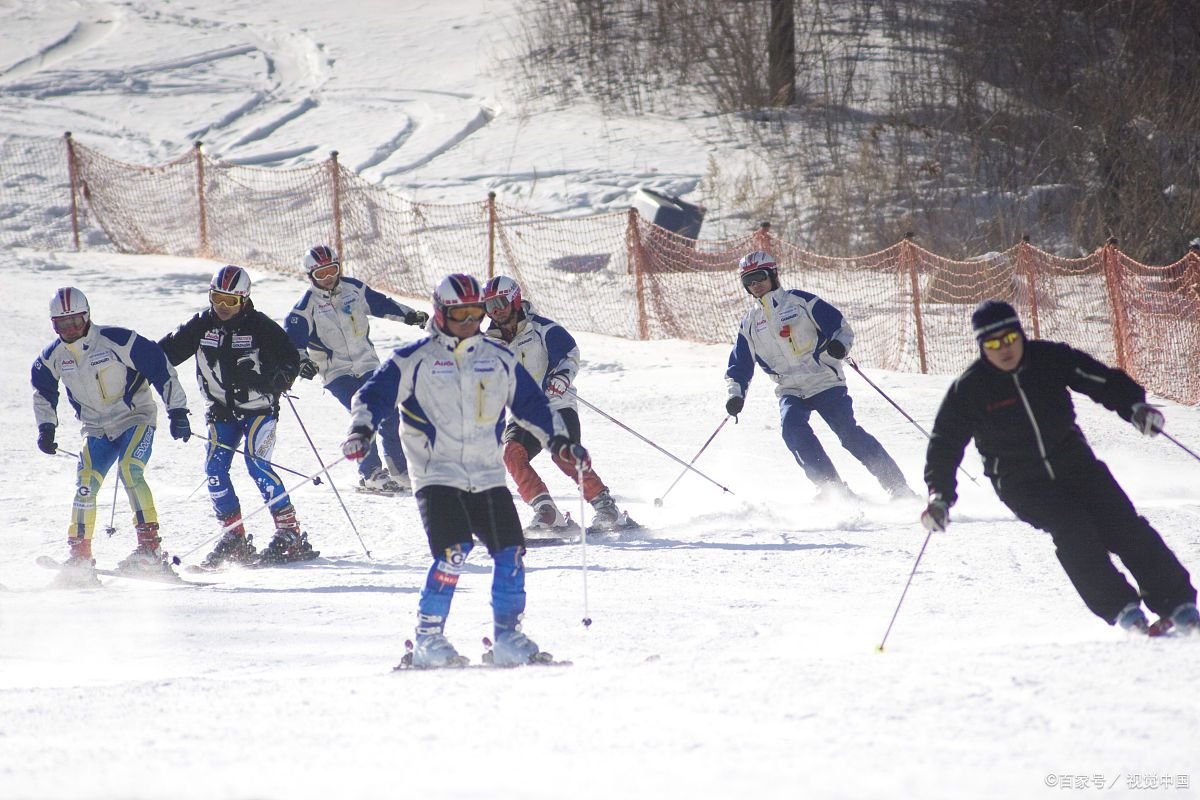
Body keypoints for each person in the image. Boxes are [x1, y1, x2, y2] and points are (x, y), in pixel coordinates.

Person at [342, 273, 587, 667]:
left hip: (486, 475)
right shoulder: (413, 358)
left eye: (476, 314)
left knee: (511, 553)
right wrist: (361, 429)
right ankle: (427, 640)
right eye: (461, 314)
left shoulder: (497, 357)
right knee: (453, 553)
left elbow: (531, 405)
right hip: (437, 475)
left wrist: (559, 439)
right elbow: (372, 395)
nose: (470, 322)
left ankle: (508, 637)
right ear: (440, 313)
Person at [921, 299, 1198, 635]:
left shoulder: (1050, 359)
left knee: (1123, 525)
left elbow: (1102, 381)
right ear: (982, 347)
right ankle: (1123, 610)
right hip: (1021, 482)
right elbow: (944, 445)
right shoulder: (970, 389)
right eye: (993, 344)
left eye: (1010, 338)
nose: (1004, 349)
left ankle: (1177, 604)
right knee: (1073, 530)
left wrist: (1134, 407)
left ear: (1021, 334)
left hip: (1075, 463)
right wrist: (940, 496)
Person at [724, 251, 916, 501]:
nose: (755, 284)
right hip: (790, 389)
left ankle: (898, 488)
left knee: (848, 433)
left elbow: (840, 327)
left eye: (759, 277)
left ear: (773, 274)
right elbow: (740, 364)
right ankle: (832, 488)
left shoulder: (800, 302)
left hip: (824, 381)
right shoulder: (750, 322)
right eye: (748, 281)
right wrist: (735, 394)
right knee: (792, 431)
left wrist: (839, 346)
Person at [32, 287, 193, 585]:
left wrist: (178, 410)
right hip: (96, 429)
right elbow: (42, 391)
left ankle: (150, 550)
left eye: (75, 323)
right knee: (85, 483)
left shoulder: (116, 340)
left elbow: (160, 367)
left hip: (135, 418)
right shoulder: (52, 357)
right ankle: (80, 555)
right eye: (61, 325)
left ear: (87, 317)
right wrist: (46, 427)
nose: (69, 330)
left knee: (130, 469)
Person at [159, 265, 315, 568]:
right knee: (214, 470)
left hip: (259, 410)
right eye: (217, 298)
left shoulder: (260, 327)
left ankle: (289, 534)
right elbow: (164, 353)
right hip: (221, 412)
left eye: (230, 301)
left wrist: (273, 379)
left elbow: (289, 361)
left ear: (243, 300)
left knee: (256, 463)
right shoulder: (201, 326)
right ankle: (234, 537)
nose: (222, 307)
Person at [482, 275, 633, 533]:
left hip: (557, 403)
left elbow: (569, 353)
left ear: (514, 299)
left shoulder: (542, 328)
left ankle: (606, 508)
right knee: (511, 454)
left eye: (500, 302)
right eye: (488, 305)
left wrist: (562, 377)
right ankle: (547, 512)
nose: (496, 310)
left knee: (564, 454)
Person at [285, 244, 428, 494]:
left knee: (390, 413)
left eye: (332, 270)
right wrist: (302, 362)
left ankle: (399, 469)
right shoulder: (305, 307)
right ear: (311, 276)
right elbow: (292, 343)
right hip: (337, 373)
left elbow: (383, 304)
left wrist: (410, 315)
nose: (328, 278)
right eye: (321, 274)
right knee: (363, 414)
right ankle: (370, 473)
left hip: (368, 364)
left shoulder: (354, 289)